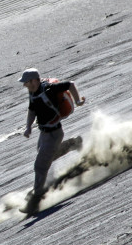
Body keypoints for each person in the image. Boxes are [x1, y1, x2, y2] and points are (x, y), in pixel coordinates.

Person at [18, 68, 86, 214]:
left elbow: (70, 84)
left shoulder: (49, 89)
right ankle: (73, 143)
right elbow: (32, 110)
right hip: (43, 133)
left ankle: (35, 200)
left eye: (27, 82)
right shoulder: (33, 93)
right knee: (47, 157)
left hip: (54, 132)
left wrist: (78, 100)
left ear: (34, 80)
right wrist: (28, 127)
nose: (25, 85)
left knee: (40, 166)